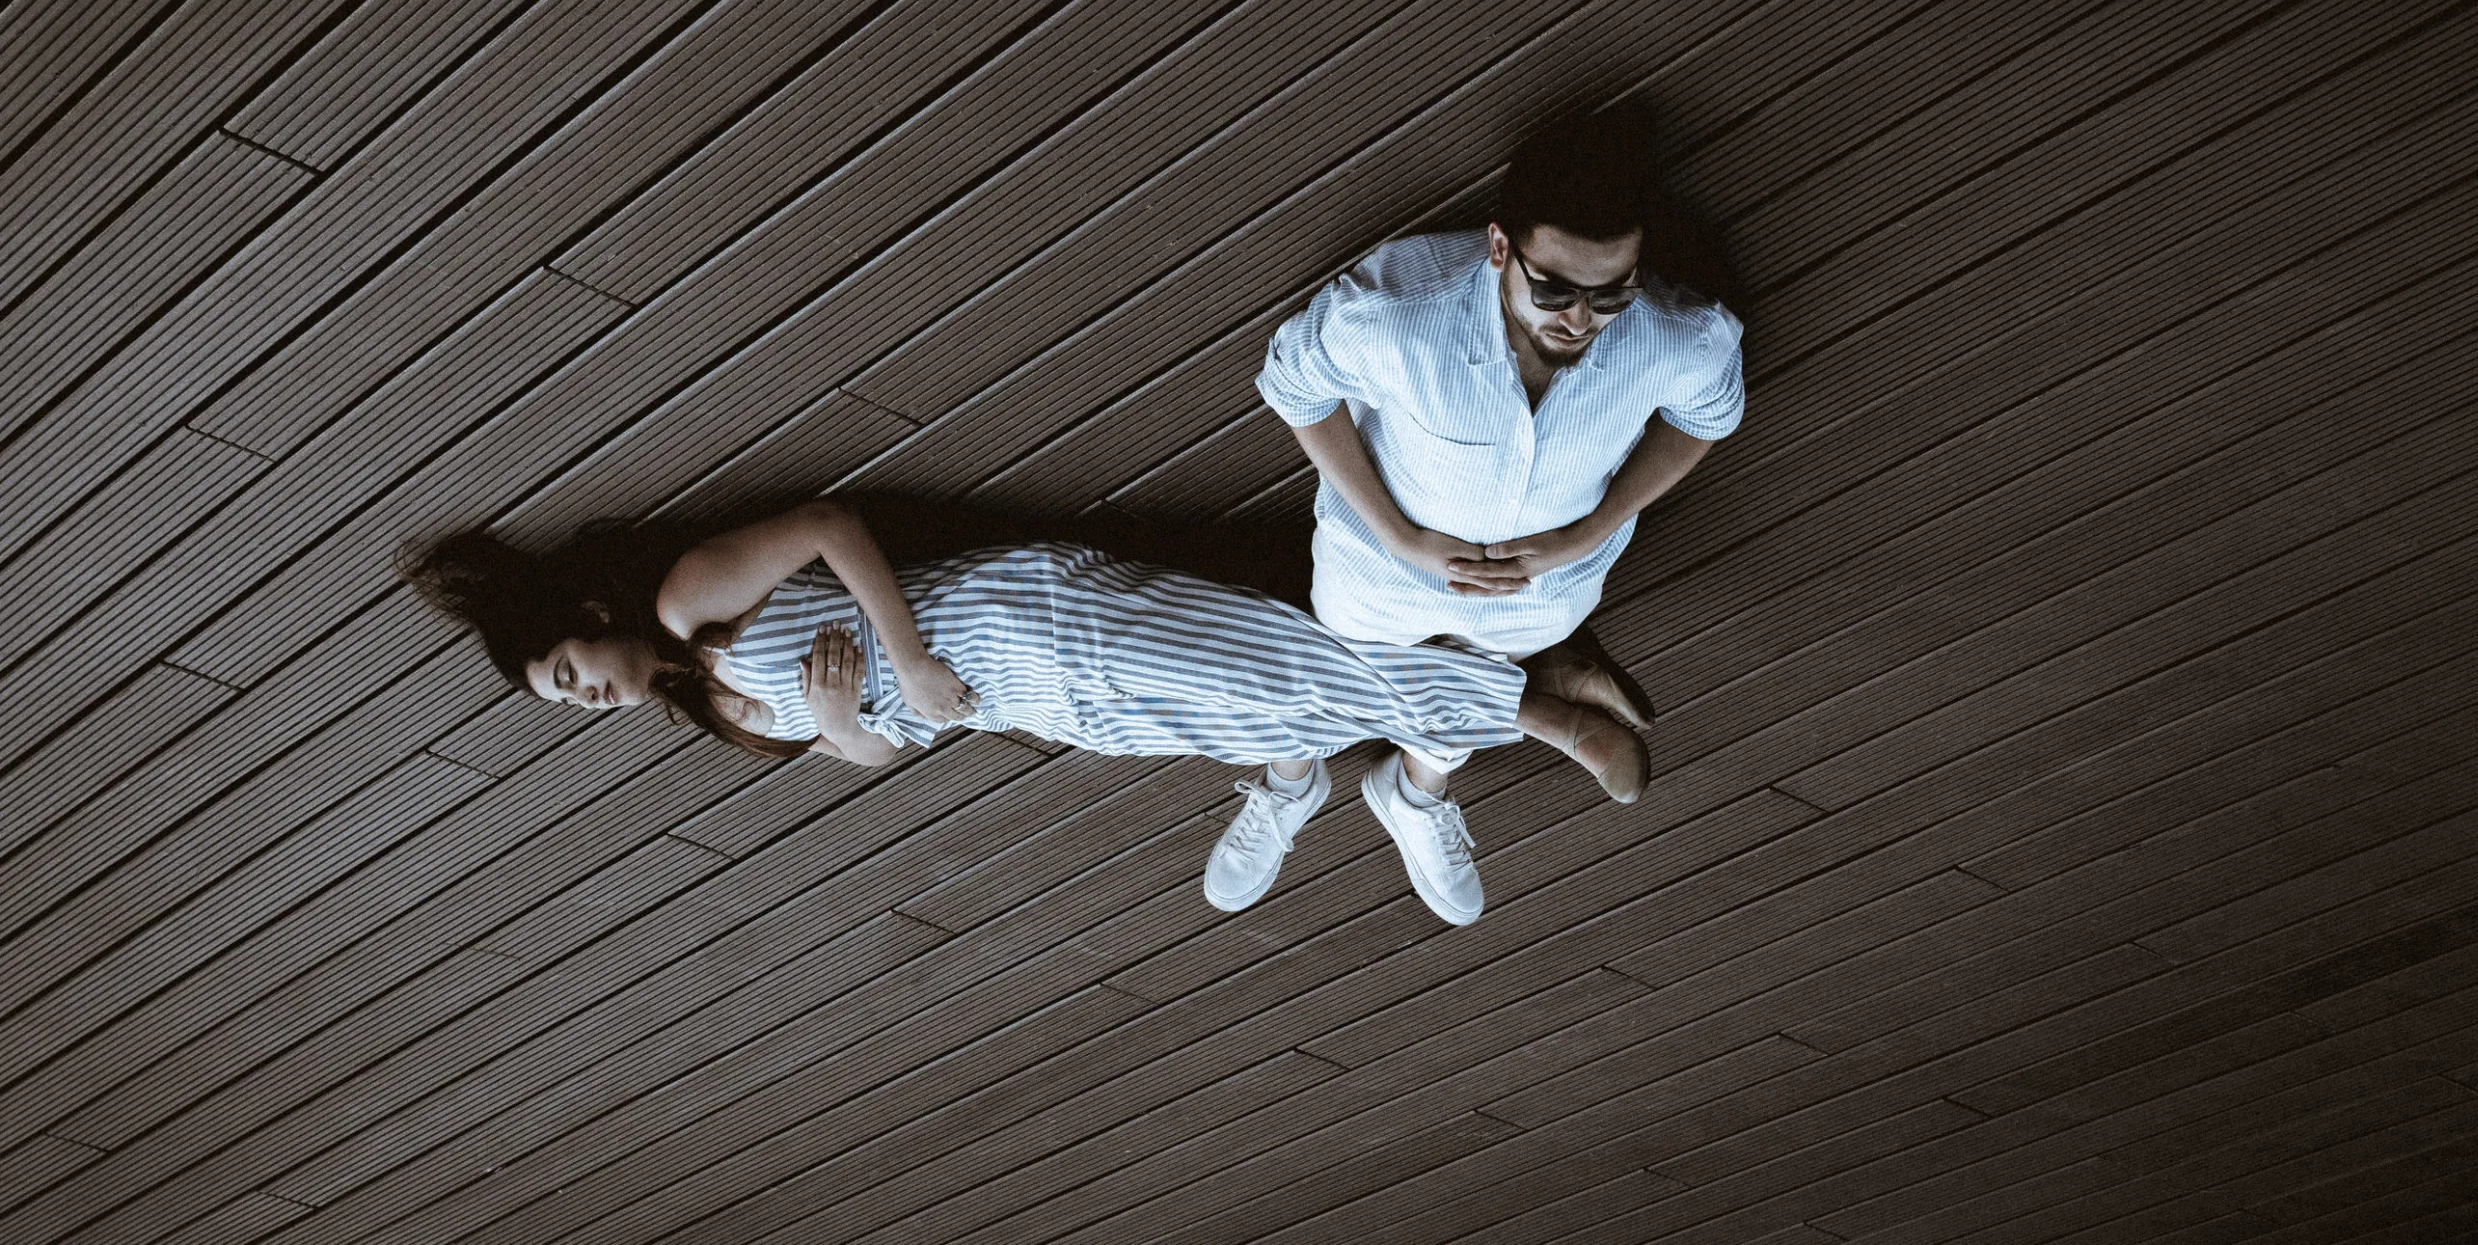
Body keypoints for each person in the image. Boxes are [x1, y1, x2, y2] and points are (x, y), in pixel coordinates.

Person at [396, 498, 1617, 920]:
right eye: (570, 703)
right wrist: (843, 725)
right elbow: (875, 752)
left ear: (585, 615)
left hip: (1005, 621)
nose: (590, 696)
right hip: (1015, 699)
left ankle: (1530, 703)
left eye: (568, 671)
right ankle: (1335, 774)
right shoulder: (717, 706)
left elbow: (830, 525)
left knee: (1260, 668)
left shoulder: (684, 601)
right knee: (1234, 703)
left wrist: (905, 654)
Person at [1224, 102, 1745, 925]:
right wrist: (1399, 535)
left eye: (1611, 292)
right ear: (1501, 247)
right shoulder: (1396, 308)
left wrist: (1589, 531)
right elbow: (1294, 387)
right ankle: (1292, 779)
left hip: (1545, 593)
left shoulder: (1676, 334)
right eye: (1555, 288)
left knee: (1478, 676)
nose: (1580, 320)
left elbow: (1707, 415)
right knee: (1327, 668)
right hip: (1378, 569)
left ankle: (1417, 788)